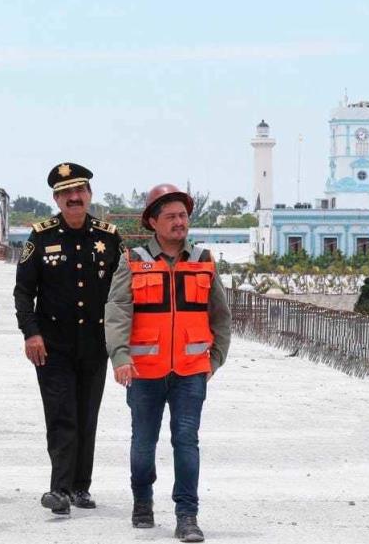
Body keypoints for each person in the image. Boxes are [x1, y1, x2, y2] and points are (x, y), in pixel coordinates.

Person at [104, 184, 231, 543]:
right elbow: (116, 312)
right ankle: (142, 500)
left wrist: (215, 359)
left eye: (183, 215)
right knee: (143, 444)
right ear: (153, 222)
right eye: (171, 216)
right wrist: (120, 356)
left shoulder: (203, 259)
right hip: (144, 372)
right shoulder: (133, 259)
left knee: (186, 441)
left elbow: (220, 316)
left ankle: (187, 515)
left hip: (191, 372)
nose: (180, 222)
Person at [13, 162, 122, 515]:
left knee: (87, 415)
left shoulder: (109, 237)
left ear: (89, 196)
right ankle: (59, 489)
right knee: (62, 416)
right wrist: (31, 333)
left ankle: (81, 487)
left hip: (95, 343)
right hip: (53, 345)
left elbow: (124, 293)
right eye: (66, 194)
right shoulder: (41, 236)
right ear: (57, 200)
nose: (74, 198)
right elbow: (22, 292)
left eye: (80, 191)